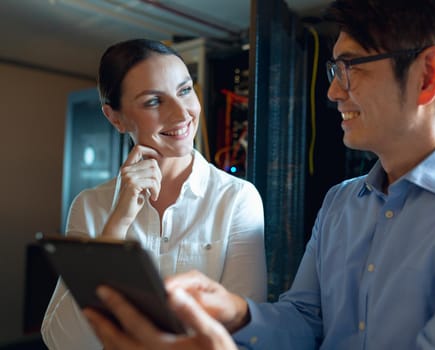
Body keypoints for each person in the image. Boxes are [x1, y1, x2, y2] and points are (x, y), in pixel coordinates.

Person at [82, 0, 435, 349]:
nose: (333, 90)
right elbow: (306, 322)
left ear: (426, 75)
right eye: (335, 70)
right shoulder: (339, 204)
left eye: (350, 69)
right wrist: (238, 314)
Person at [41, 38, 267, 349]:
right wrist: (118, 223)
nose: (181, 113)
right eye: (153, 101)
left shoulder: (238, 198)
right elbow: (62, 340)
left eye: (185, 90)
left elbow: (243, 335)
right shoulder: (91, 205)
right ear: (115, 117)